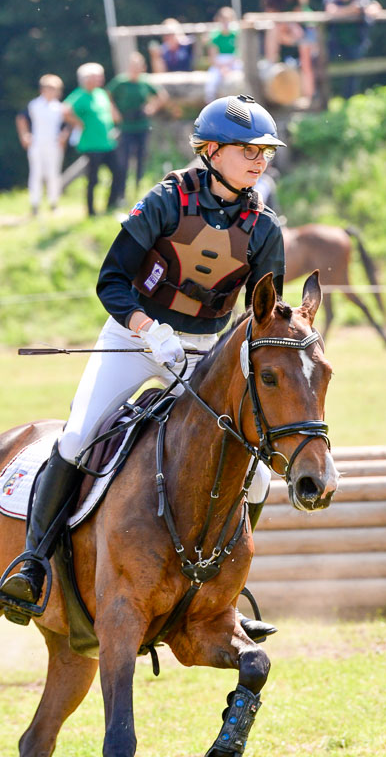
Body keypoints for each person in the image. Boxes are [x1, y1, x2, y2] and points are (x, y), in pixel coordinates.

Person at [0, 94, 286, 641]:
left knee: (254, 475)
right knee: (77, 438)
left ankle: (224, 590)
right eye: (247, 150)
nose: (258, 160)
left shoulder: (265, 228)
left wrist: (234, 353)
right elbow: (111, 280)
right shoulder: (164, 200)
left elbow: (262, 311)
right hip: (135, 336)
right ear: (211, 151)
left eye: (265, 151)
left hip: (205, 350)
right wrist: (146, 330)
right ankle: (32, 564)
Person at [107, 52, 169, 202]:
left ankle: (138, 191)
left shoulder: (145, 82)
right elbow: (108, 95)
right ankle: (121, 194)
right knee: (124, 161)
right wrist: (114, 112)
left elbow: (162, 96)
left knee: (141, 159)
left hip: (141, 125)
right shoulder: (120, 82)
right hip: (126, 126)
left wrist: (151, 108)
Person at [63, 62, 123, 217]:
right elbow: (65, 111)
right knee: (93, 178)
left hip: (108, 142)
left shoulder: (101, 93)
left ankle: (111, 205)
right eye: (97, 76)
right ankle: (91, 211)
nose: (100, 79)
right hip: (90, 143)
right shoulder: (79, 95)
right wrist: (78, 123)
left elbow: (111, 112)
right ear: (87, 78)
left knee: (118, 172)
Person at [15, 74, 68, 216]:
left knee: (53, 173)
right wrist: (25, 136)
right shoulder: (34, 105)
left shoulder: (60, 107)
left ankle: (53, 203)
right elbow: (21, 118)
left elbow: (68, 124)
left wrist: (64, 136)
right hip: (37, 143)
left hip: (54, 144)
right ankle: (35, 204)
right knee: (36, 173)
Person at [260, 0, 317, 105]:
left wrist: (289, 26)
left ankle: (309, 96)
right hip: (284, 33)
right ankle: (270, 65)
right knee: (273, 30)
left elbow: (300, 13)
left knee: (306, 59)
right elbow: (271, 16)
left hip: (301, 31)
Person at [322, 0, 382, 99]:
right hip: (335, 42)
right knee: (323, 67)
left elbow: (376, 6)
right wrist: (352, 9)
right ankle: (323, 98)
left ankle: (348, 99)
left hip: (356, 42)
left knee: (353, 73)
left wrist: (368, 9)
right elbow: (331, 10)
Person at [205, 6, 242, 102]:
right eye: (223, 19)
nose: (226, 22)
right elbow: (213, 58)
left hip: (233, 62)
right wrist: (222, 68)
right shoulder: (214, 36)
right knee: (211, 81)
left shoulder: (236, 34)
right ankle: (210, 101)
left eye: (228, 19)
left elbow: (239, 54)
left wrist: (229, 66)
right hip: (219, 63)